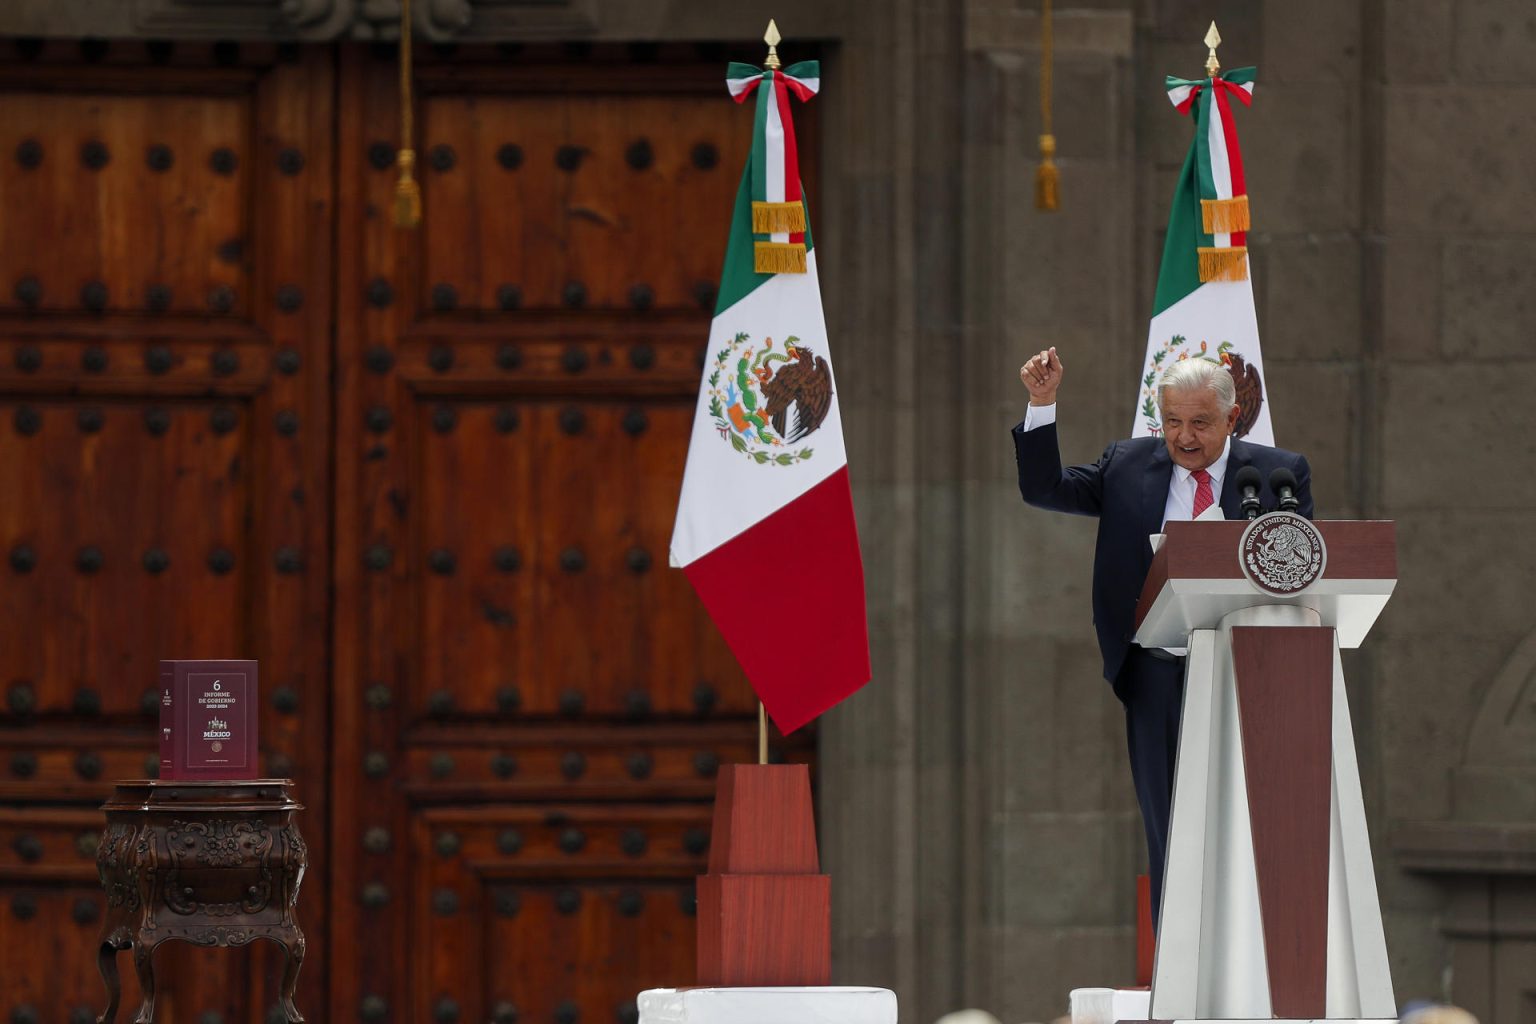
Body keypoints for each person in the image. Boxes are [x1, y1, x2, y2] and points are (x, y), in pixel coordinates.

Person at [1012, 347, 1314, 925]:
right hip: (1156, 670)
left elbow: (1300, 566)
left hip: (1245, 671)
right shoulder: (1126, 464)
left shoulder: (1277, 474)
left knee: (1255, 820)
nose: (1185, 436)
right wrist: (1042, 404)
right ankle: (1177, 970)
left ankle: (1261, 953)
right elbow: (1043, 488)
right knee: (1168, 823)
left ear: (1232, 420)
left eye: (1200, 422)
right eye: (1172, 421)